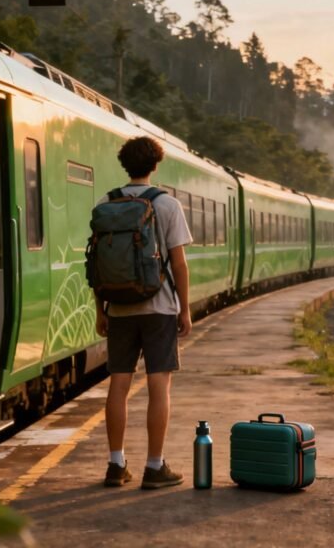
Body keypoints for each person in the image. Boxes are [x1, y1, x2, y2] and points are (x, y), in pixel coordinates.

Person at [97, 136, 193, 489]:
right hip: (159, 308)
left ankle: (115, 464)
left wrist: (101, 310)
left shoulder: (106, 202)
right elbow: (179, 265)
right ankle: (155, 466)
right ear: (155, 165)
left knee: (118, 385)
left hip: (119, 309)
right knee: (158, 386)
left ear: (125, 164)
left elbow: (98, 264)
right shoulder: (167, 205)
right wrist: (184, 310)